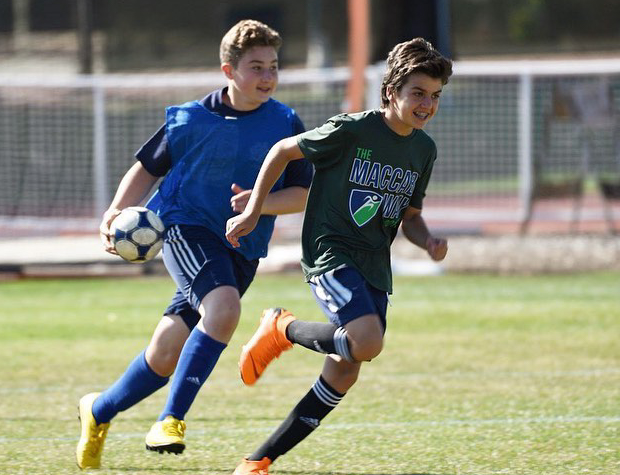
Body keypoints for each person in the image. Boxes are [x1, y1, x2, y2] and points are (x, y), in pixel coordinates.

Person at [75, 19, 313, 470]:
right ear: (229, 70)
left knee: (166, 352)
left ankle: (98, 409)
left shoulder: (285, 123)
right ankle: (171, 420)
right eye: (256, 67)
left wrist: (257, 204)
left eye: (274, 67)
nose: (267, 76)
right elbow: (147, 168)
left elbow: (302, 194)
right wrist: (115, 211)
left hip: (241, 246)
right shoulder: (188, 118)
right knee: (223, 311)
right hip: (185, 227)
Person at [225, 37, 453, 475]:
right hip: (331, 252)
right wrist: (254, 209)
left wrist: (427, 241)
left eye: (435, 95)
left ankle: (258, 461)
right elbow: (282, 150)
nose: (427, 104)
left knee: (347, 369)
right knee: (367, 342)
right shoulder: (353, 130)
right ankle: (282, 328)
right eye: (418, 93)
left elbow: (411, 216)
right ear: (392, 92)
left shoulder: (424, 149)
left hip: (373, 263)